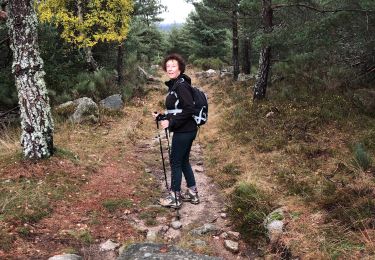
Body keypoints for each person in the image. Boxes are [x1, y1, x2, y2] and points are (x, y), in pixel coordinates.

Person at [153, 53, 199, 208]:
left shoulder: (181, 85)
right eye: (168, 66)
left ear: (180, 68)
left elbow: (189, 109)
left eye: (173, 66)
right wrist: (162, 117)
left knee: (175, 162)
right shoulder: (176, 84)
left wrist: (171, 123)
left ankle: (175, 197)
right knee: (183, 161)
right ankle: (193, 193)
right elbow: (177, 110)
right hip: (186, 129)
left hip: (184, 131)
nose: (170, 69)